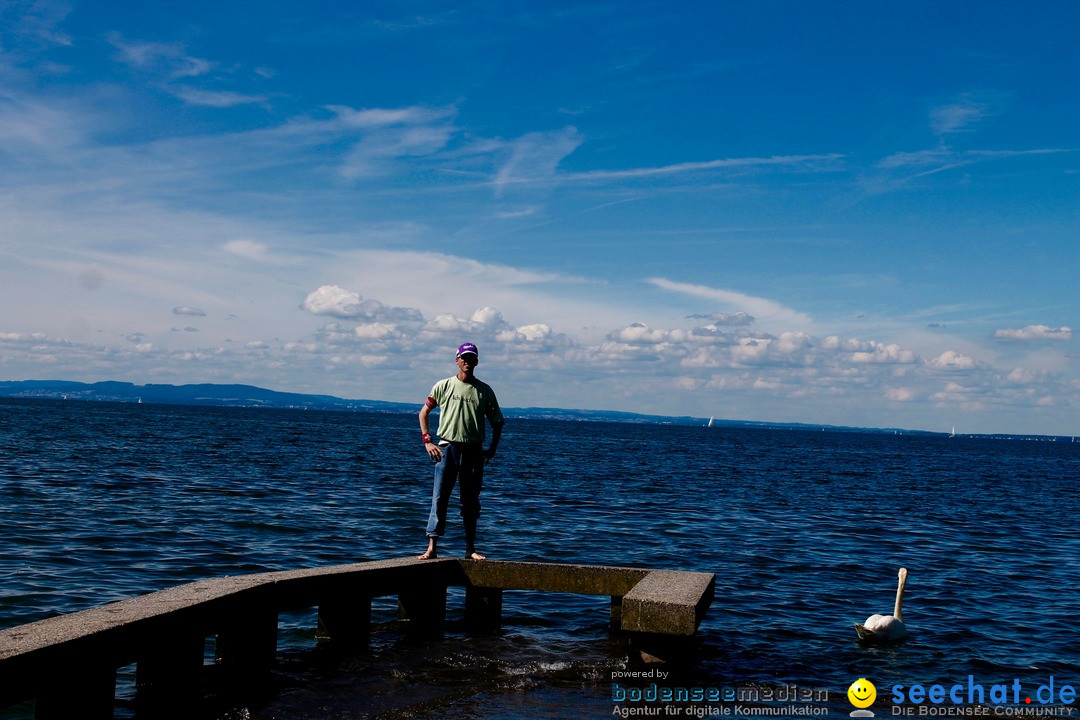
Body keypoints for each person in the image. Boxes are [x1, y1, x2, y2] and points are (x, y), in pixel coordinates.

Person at [418, 342, 504, 561]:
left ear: (476, 361)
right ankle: (432, 547)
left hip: (474, 451)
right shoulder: (444, 386)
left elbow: (498, 422)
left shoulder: (484, 391)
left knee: (471, 501)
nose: (467, 361)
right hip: (447, 448)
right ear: (456, 360)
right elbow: (423, 413)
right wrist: (428, 441)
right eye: (463, 358)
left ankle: (470, 549)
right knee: (439, 498)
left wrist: (491, 449)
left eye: (471, 358)